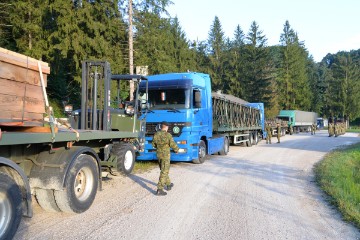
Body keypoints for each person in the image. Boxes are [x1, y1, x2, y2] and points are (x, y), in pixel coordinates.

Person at [152, 121, 179, 196]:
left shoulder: (156, 134)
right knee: (164, 171)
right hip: (165, 156)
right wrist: (176, 150)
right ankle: (159, 189)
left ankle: (168, 184)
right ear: (166, 127)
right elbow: (172, 144)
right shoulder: (168, 135)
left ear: (161, 126)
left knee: (163, 169)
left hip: (159, 155)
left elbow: (153, 144)